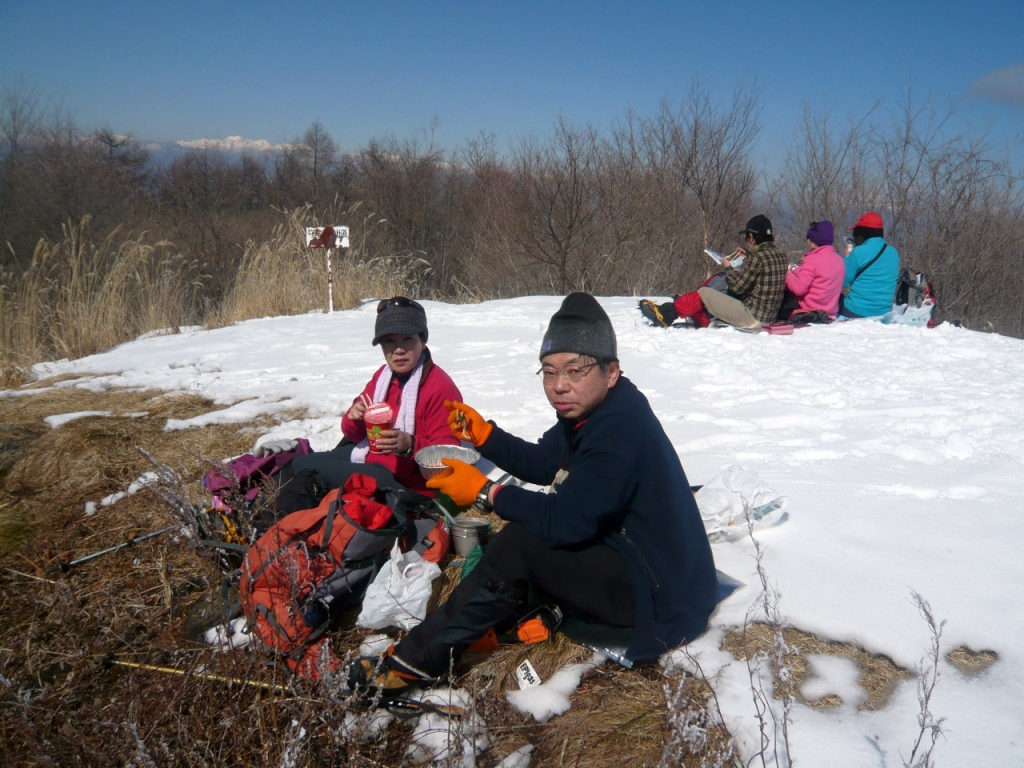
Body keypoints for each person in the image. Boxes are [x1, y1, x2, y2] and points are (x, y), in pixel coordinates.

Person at [349, 293, 718, 697]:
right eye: (548, 371)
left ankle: (413, 662)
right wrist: (484, 435)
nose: (560, 386)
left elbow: (566, 521)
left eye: (575, 370)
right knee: (523, 540)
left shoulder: (618, 429)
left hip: (661, 596)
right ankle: (448, 639)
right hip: (647, 564)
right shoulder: (596, 409)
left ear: (611, 371)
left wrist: (484, 491)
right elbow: (544, 462)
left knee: (520, 544)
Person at [287, 297, 462, 495]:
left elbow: (449, 457)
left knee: (314, 474)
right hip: (370, 456)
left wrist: (409, 445)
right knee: (296, 464)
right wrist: (355, 418)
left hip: (410, 482)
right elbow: (352, 434)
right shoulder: (383, 377)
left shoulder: (440, 388)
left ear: (422, 341)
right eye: (389, 341)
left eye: (408, 339)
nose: (398, 350)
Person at [639, 214, 789, 331]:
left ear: (751, 237)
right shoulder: (781, 255)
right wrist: (748, 257)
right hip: (769, 316)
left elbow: (738, 288)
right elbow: (765, 269)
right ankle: (687, 304)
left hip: (752, 318)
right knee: (714, 297)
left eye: (746, 237)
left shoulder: (757, 258)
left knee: (705, 292)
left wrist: (728, 267)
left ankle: (666, 314)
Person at [779, 220, 846, 319]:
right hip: (830, 311)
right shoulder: (839, 260)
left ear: (813, 241)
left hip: (810, 310)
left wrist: (788, 275)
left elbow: (798, 289)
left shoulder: (812, 260)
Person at [841, 211, 900, 318]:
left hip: (855, 310)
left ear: (861, 235)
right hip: (883, 312)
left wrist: (846, 258)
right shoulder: (893, 253)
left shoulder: (858, 252)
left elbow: (842, 282)